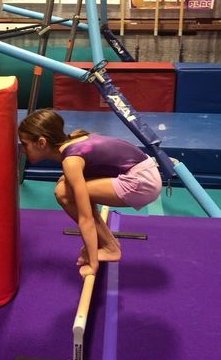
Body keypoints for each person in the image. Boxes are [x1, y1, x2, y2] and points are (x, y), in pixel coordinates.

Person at [18, 109, 162, 278]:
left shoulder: (71, 161)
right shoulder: (75, 138)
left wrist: (92, 264)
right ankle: (108, 245)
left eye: (25, 144)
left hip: (143, 183)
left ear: (41, 143)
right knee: (66, 184)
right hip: (145, 171)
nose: (22, 149)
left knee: (63, 193)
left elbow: (85, 217)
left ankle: (110, 248)